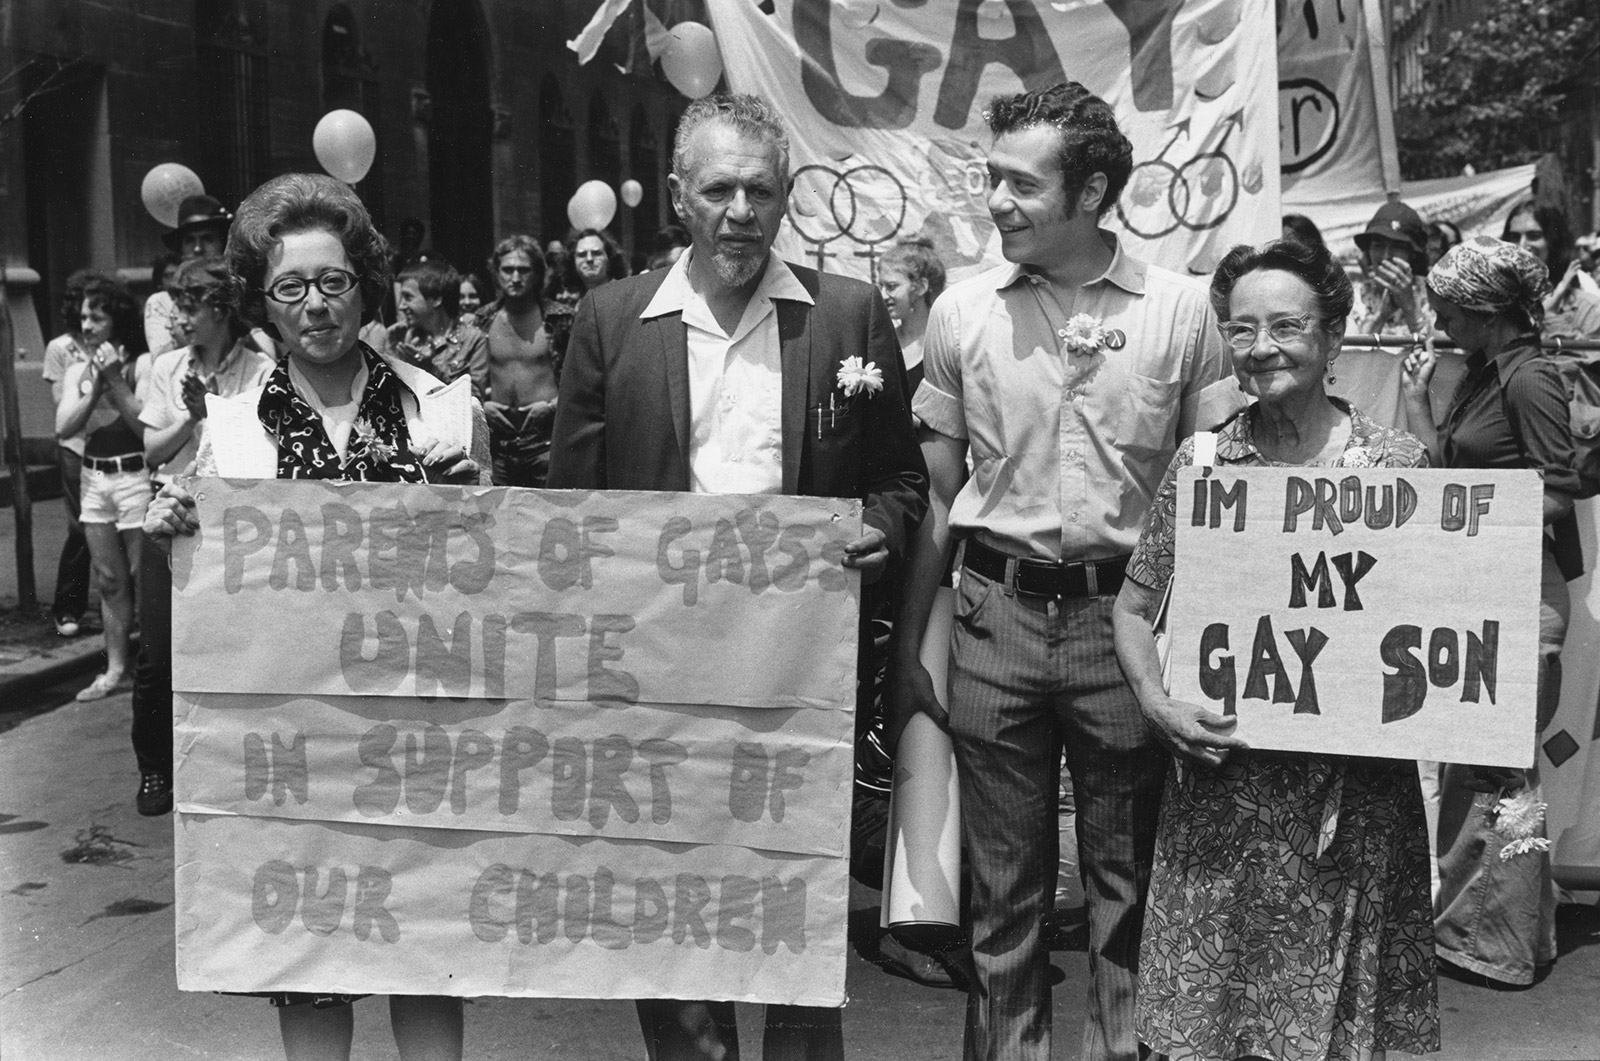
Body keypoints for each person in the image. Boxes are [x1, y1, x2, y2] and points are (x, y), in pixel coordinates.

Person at [549, 91, 928, 1061]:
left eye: (759, 189)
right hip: (655, 686)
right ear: (680, 195)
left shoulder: (843, 315)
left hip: (794, 680)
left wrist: (873, 533)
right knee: (671, 917)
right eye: (718, 188)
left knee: (791, 914)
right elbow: (570, 514)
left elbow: (897, 479)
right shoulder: (612, 318)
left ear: (787, 194)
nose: (740, 211)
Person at [885, 81, 1242, 1061]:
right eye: (992, 178)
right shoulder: (960, 315)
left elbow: (1217, 500)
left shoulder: (1182, 312)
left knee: (1128, 889)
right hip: (993, 622)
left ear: (1089, 192)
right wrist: (910, 658)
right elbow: (936, 498)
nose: (995, 199)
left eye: (1018, 182)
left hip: (1126, 629)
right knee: (1005, 901)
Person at [142, 172, 484, 1061]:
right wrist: (169, 531)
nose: (316, 306)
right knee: (312, 958)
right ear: (266, 299)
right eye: (290, 287)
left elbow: (500, 578)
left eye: (333, 282)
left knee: (425, 949)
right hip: (294, 741)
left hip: (420, 733)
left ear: (365, 283)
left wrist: (476, 504)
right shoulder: (233, 423)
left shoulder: (441, 407)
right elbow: (212, 588)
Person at [1113, 237, 1440, 1061]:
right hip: (1226, 796)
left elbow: (1450, 616)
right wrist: (1159, 704)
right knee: (1218, 1024)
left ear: (1334, 333)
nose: (1262, 348)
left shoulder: (1395, 466)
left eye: (1287, 326)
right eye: (1242, 329)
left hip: (1354, 803)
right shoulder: (1205, 465)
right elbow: (1133, 607)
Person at [1401, 236, 1579, 987]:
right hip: (1482, 588)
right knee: (1481, 764)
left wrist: (1485, 515)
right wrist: (1416, 404)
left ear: (1485, 310)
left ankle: (1499, 943)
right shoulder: (1480, 374)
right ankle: (1485, 934)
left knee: (1502, 771)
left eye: (1447, 306)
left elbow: (1559, 491)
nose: (1438, 318)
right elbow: (1442, 481)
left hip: (1516, 590)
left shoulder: (1530, 379)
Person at [129, 256, 274, 816]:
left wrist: (212, 415)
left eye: (189, 307)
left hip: (228, 516)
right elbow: (152, 452)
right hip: (169, 512)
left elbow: (256, 447)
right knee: (157, 654)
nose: (181, 318)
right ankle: (154, 769)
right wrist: (193, 418)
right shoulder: (167, 367)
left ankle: (220, 765)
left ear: (219, 309)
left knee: (227, 651)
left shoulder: (259, 370)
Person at [55, 275, 149, 701]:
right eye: (82, 318)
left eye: (97, 316)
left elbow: (144, 428)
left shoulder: (142, 365)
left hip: (135, 477)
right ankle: (115, 669)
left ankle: (151, 665)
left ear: (117, 318)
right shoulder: (77, 368)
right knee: (109, 579)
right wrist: (94, 385)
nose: (87, 326)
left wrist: (114, 379)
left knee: (140, 577)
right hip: (94, 479)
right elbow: (64, 427)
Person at [41, 270, 99, 638]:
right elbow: (62, 403)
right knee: (81, 527)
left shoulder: (111, 341)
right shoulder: (61, 348)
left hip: (114, 446)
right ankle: (67, 607)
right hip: (76, 447)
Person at [477, 235, 561, 487]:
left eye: (523, 270)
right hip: (499, 444)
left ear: (536, 274)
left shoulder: (559, 319)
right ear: (496, 273)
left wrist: (551, 407)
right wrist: (481, 406)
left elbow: (579, 381)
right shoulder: (482, 319)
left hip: (545, 443)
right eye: (508, 270)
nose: (515, 277)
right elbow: (466, 378)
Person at [390, 257, 490, 399]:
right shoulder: (399, 336)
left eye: (408, 297)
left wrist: (430, 369)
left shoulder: (472, 339)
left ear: (436, 299)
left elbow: (474, 400)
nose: (401, 306)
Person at [145, 194, 232, 355]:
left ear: (222, 244)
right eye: (190, 241)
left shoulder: (239, 291)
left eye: (207, 239)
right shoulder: (162, 302)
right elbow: (159, 358)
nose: (198, 249)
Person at [1503, 200, 1600, 339]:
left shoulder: (1590, 310)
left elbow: (1587, 359)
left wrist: (1553, 320)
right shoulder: (1497, 309)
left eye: (1534, 236)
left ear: (1554, 242)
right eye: (1514, 237)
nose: (1522, 246)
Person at [1352, 200, 1433, 337]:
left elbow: (1440, 351)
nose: (1385, 256)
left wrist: (1410, 309)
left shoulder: (1433, 294)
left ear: (1412, 254)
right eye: (1378, 246)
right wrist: (1381, 315)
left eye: (1397, 247)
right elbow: (1353, 353)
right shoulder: (1354, 298)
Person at [877, 237, 946, 393]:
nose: (883, 295)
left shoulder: (943, 343)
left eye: (891, 286)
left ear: (921, 287)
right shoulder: (883, 342)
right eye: (881, 286)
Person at [568, 227, 629, 293]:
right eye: (582, 254)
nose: (589, 259)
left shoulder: (624, 293)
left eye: (596, 253)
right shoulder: (569, 299)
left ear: (609, 258)